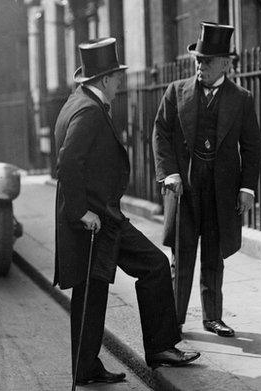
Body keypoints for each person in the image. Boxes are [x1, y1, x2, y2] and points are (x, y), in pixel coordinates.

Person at [54, 37, 200, 386]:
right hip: (95, 220)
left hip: (102, 218)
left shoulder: (78, 101)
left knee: (96, 289)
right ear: (104, 79)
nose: (120, 82)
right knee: (151, 266)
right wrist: (80, 212)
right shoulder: (89, 112)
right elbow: (68, 162)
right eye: (117, 76)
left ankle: (88, 366)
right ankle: (160, 348)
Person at [152, 22, 261, 337]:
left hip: (221, 190)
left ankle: (212, 317)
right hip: (185, 188)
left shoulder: (241, 98)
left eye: (207, 61)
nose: (200, 66)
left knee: (214, 256)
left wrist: (246, 188)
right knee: (182, 256)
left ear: (225, 64)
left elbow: (252, 146)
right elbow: (160, 133)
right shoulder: (176, 92)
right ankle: (173, 319)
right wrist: (169, 172)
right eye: (198, 60)